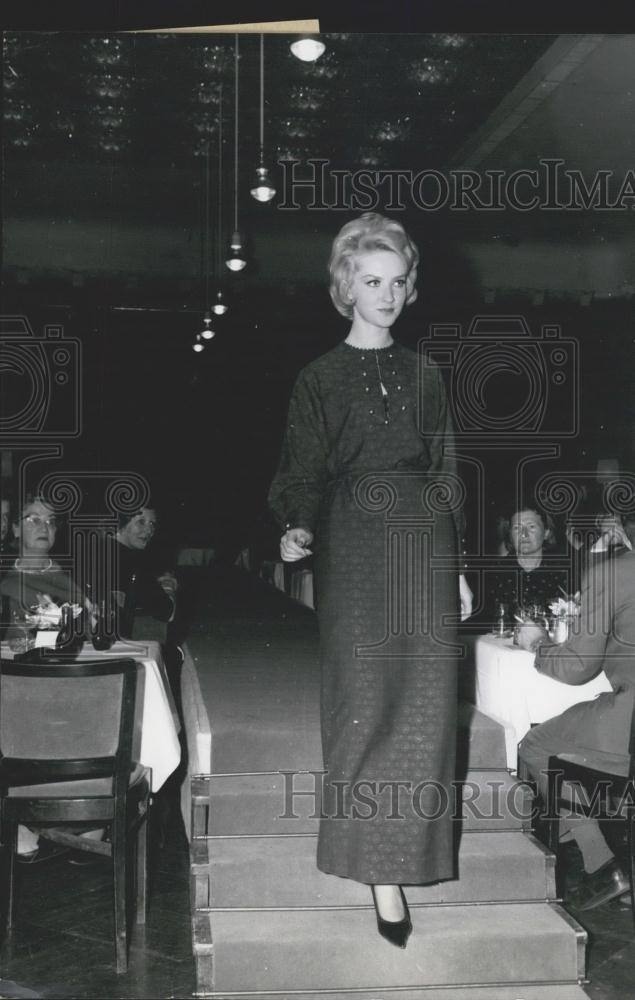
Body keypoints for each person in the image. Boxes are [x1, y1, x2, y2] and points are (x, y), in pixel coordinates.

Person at [269, 212, 472, 948]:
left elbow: (446, 467)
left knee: (422, 708)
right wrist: (296, 522)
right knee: (362, 703)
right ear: (345, 286)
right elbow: (300, 470)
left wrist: (454, 570)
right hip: (353, 541)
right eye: (370, 280)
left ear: (408, 287)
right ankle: (375, 874)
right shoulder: (317, 378)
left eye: (396, 281)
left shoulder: (426, 374)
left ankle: (404, 860)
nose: (385, 294)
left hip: (424, 541)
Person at [517, 544, 635, 910]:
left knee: (536, 745)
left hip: (627, 723)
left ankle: (601, 864)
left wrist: (537, 643)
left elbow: (579, 666)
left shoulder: (612, 571)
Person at [0, 492, 85, 645]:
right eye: (34, 520)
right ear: (16, 528)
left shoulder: (75, 577)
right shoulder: (4, 576)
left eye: (50, 521)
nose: (45, 528)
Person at [479, 505, 570, 628]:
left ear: (547, 533)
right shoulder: (494, 573)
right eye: (517, 528)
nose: (524, 534)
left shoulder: (563, 573)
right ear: (510, 535)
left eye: (531, 527)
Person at [105, 506, 177, 640]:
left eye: (152, 524)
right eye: (141, 522)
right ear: (120, 522)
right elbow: (167, 612)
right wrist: (168, 584)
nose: (150, 530)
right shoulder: (132, 562)